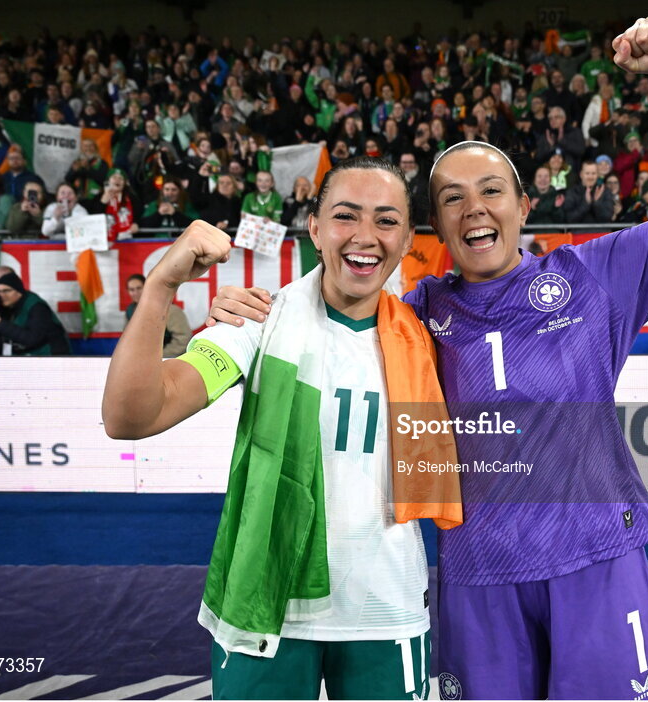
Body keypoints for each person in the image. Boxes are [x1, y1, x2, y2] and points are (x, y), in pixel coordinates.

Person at [208, 15, 648, 699]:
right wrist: (246, 315)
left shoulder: (597, 278)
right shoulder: (410, 318)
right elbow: (325, 318)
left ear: (523, 206)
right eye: (452, 199)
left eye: (492, 191)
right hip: (477, 581)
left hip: (594, 562)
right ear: (433, 228)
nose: (475, 210)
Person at [102, 157, 461, 700]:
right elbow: (132, 417)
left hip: (387, 613)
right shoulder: (258, 320)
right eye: (346, 215)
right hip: (264, 609)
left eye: (387, 221)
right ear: (314, 228)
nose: (365, 236)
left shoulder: (428, 335)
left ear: (409, 237)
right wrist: (161, 285)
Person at [0, 268, 70, 356]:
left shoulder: (37, 306)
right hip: (20, 358)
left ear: (19, 291)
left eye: (6, 291)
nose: (1, 295)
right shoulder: (1, 305)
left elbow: (32, 339)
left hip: (49, 357)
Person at [123, 274, 192, 358]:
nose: (135, 293)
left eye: (139, 288)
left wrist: (158, 357)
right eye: (132, 289)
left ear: (146, 288)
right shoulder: (130, 310)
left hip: (169, 360)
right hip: (141, 361)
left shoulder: (170, 310)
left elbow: (183, 339)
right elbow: (128, 339)